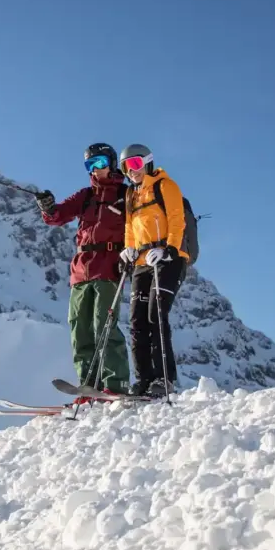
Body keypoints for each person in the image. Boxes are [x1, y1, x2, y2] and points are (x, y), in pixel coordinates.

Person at [34, 143, 132, 398]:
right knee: (80, 328)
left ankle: (115, 383)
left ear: (112, 163)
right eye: (90, 165)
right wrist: (48, 207)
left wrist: (131, 254)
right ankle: (89, 384)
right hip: (81, 270)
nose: (95, 169)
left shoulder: (126, 195)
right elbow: (58, 216)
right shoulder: (86, 196)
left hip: (109, 266)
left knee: (104, 325)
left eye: (100, 163)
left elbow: (139, 226)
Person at [117, 144, 189, 398]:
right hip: (141, 262)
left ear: (147, 162)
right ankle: (143, 379)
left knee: (155, 315)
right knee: (137, 321)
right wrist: (128, 250)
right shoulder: (131, 194)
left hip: (167, 259)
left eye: (135, 164)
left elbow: (177, 219)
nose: (131, 171)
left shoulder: (165, 186)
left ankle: (163, 378)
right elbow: (130, 228)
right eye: (126, 167)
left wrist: (170, 249)